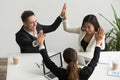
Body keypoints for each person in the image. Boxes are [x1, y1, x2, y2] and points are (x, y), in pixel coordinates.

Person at [38, 27, 104, 80]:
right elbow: (95, 60)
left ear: (64, 60)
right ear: (76, 58)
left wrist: (41, 43)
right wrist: (98, 42)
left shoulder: (61, 73)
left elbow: (47, 61)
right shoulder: (85, 73)